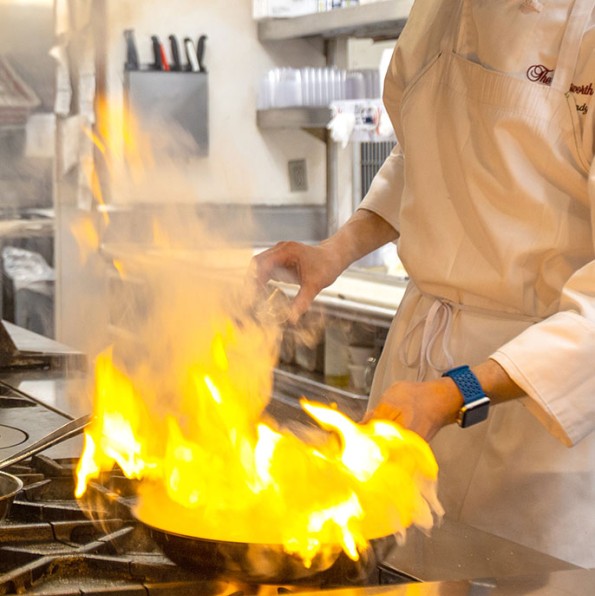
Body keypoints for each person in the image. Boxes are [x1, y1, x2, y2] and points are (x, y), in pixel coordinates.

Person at [252, 0, 595, 568]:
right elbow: (425, 158)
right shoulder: (438, 8)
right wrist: (335, 251)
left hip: (535, 411)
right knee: (396, 570)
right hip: (413, 380)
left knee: (507, 573)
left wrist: (452, 392)